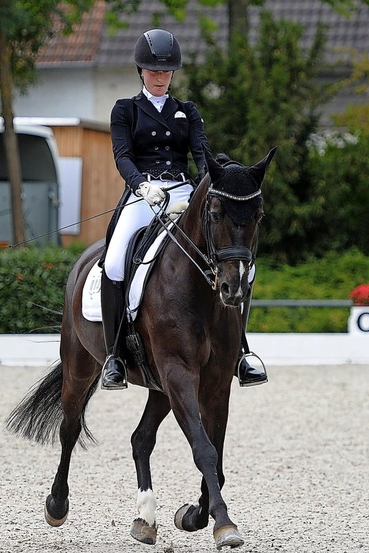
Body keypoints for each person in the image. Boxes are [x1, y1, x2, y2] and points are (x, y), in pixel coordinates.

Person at [100, 28, 266, 390]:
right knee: (114, 261)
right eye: (153, 71)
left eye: (166, 72)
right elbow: (123, 156)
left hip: (186, 193)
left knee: (234, 261)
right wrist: (141, 186)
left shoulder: (186, 111)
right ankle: (114, 355)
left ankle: (240, 351)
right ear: (141, 72)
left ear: (173, 74)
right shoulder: (125, 110)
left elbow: (202, 154)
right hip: (144, 194)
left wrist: (211, 187)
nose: (160, 78)